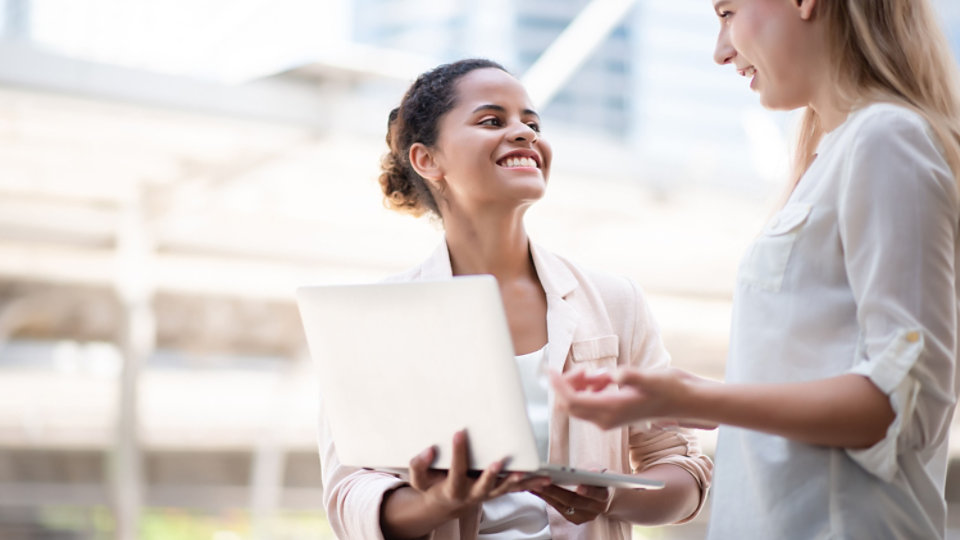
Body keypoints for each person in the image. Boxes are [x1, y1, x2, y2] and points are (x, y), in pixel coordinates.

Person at [551, 0, 960, 538]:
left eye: (726, 12)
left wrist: (691, 397)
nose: (721, 52)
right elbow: (825, 373)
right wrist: (695, 394)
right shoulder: (832, 157)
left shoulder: (886, 138)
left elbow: (900, 407)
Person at [317, 58, 713, 540]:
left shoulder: (614, 301)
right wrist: (440, 502)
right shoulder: (375, 320)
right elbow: (349, 497)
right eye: (492, 121)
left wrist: (611, 497)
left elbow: (681, 471)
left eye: (532, 122)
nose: (524, 133)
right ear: (427, 160)